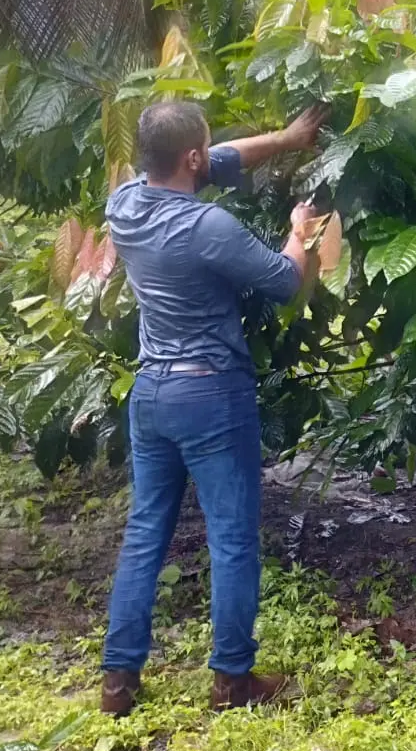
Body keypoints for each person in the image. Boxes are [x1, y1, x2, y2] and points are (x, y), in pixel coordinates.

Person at [99, 101, 325, 717]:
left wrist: (287, 137)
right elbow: (282, 280)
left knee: (145, 534)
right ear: (191, 159)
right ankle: (232, 680)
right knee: (230, 539)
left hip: (151, 395)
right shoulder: (208, 228)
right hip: (211, 396)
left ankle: (118, 684)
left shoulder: (122, 204)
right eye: (206, 150)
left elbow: (222, 159)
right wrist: (300, 232)